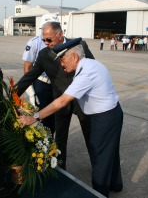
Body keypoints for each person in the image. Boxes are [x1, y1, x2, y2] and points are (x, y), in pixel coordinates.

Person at [19, 38, 124, 197]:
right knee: (110, 152)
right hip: (111, 113)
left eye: (62, 59)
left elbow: (61, 102)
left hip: (104, 119)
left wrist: (34, 117)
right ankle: (116, 184)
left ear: (74, 57)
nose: (61, 64)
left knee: (100, 158)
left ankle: (99, 193)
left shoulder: (86, 73)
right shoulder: (90, 64)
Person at [15, 22, 95, 170]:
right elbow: (30, 76)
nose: (46, 43)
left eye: (49, 40)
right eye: (43, 40)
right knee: (60, 140)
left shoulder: (79, 46)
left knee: (91, 138)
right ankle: (61, 173)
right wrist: (13, 94)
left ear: (60, 35)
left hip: (82, 100)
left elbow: (92, 69)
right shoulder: (44, 54)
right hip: (60, 100)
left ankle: (99, 172)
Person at [22, 13, 60, 134]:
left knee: (56, 115)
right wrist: (31, 91)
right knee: (43, 115)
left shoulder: (60, 41)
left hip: (56, 84)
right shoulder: (34, 43)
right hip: (41, 84)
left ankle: (52, 144)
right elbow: (27, 67)